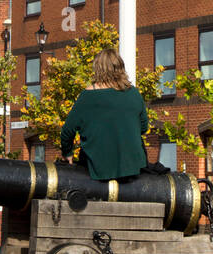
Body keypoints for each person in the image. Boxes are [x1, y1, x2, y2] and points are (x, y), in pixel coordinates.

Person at [59, 47, 149, 182]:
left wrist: (67, 153)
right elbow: (143, 127)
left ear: (97, 69)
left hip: (98, 168)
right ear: (120, 67)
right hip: (132, 167)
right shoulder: (134, 93)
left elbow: (67, 131)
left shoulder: (88, 96)